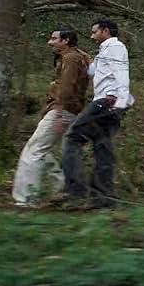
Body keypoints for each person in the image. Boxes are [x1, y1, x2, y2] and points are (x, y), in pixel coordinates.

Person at [60, 18, 134, 209]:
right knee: (103, 146)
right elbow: (93, 72)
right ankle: (103, 197)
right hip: (107, 101)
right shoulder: (104, 51)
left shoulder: (116, 47)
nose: (92, 36)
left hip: (108, 101)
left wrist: (120, 103)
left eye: (95, 31)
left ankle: (76, 192)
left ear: (106, 31)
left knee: (73, 138)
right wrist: (83, 56)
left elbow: (121, 74)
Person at [12, 27, 90, 208]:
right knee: (44, 151)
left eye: (54, 38)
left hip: (61, 110)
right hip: (69, 110)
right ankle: (59, 187)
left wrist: (59, 114)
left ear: (66, 41)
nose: (50, 42)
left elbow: (67, 88)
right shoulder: (80, 56)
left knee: (34, 151)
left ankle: (26, 199)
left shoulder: (71, 58)